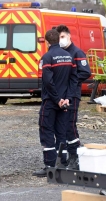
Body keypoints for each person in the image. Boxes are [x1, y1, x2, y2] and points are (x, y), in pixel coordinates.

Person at [32, 29, 77, 177]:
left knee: (47, 132)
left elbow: (48, 82)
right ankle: (62, 164)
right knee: (61, 133)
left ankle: (50, 166)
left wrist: (57, 100)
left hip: (51, 103)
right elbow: (73, 80)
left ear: (46, 42)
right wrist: (67, 99)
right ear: (59, 39)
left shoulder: (47, 57)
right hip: (65, 102)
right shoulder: (69, 56)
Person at [56, 25, 91, 169]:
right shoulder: (59, 53)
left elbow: (85, 72)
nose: (61, 40)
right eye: (59, 38)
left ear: (69, 36)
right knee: (61, 127)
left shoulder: (77, 52)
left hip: (72, 95)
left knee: (70, 125)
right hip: (60, 95)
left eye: (63, 37)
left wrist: (71, 78)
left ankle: (75, 156)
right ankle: (63, 157)